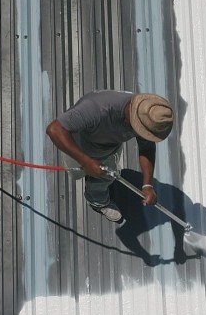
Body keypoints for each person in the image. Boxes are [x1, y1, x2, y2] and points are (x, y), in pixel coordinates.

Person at [46, 91, 174, 223]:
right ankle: (90, 178)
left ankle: (97, 201)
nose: (144, 135)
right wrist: (86, 162)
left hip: (109, 148)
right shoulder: (96, 108)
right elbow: (55, 129)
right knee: (81, 171)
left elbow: (147, 147)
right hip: (78, 147)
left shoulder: (148, 114)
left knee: (106, 176)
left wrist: (147, 185)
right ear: (134, 119)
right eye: (143, 132)